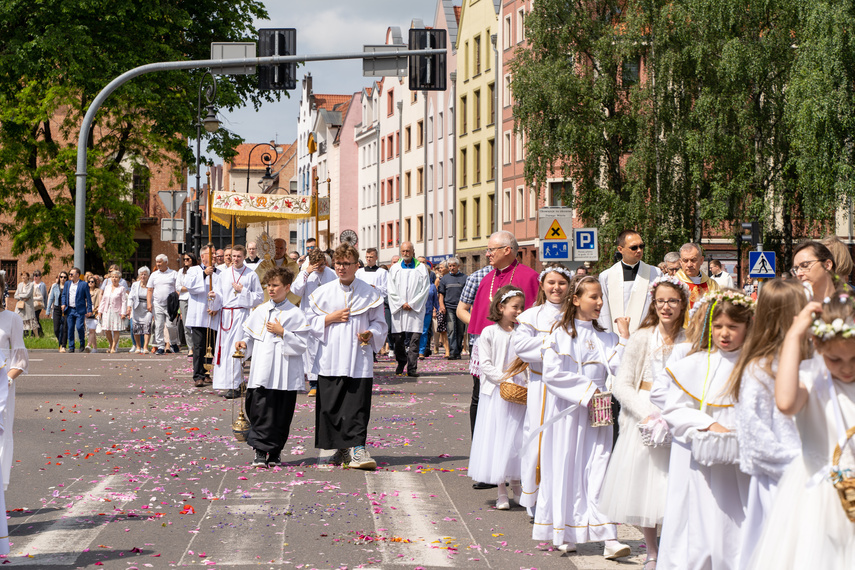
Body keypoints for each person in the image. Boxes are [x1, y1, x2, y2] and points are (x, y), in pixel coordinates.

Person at [747, 290, 855, 568]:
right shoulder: (811, 378)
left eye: (854, 359)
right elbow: (785, 402)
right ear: (818, 348)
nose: (846, 369)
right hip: (821, 497)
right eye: (835, 360)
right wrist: (795, 335)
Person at [657, 290, 755, 570]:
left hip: (743, 461)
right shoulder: (695, 364)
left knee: (738, 525)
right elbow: (674, 409)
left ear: (748, 326)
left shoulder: (758, 364)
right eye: (719, 326)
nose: (724, 334)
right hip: (703, 461)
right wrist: (708, 424)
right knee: (702, 528)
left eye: (733, 327)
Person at [536, 275, 631, 558]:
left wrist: (624, 339)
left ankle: (608, 536)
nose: (600, 302)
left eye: (601, 297)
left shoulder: (607, 337)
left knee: (599, 469)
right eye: (594, 297)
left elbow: (620, 368)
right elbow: (552, 375)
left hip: (599, 412)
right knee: (568, 469)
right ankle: (566, 530)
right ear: (576, 300)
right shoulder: (559, 335)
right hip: (569, 414)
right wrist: (587, 390)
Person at [601, 274, 689, 569]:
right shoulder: (641, 336)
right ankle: (651, 549)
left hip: (679, 411)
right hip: (646, 412)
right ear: (654, 302)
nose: (666, 307)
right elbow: (622, 384)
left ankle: (675, 544)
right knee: (646, 485)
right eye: (661, 301)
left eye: (672, 301)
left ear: (682, 303)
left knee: (674, 484)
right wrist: (647, 414)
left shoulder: (691, 337)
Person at [726, 280, 804, 570]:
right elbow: (755, 438)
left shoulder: (812, 360)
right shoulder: (759, 370)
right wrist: (800, 467)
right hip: (778, 481)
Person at [307, 244, 387, 470]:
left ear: (356, 265)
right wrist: (329, 318)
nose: (341, 268)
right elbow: (308, 323)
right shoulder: (323, 292)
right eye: (338, 263)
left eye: (346, 263)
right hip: (330, 355)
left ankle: (358, 448)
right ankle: (341, 448)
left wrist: (371, 333)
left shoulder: (370, 292)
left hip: (357, 356)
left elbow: (379, 322)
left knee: (356, 403)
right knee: (331, 406)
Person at [457, 231, 539, 443]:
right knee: (481, 396)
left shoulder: (529, 277)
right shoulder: (485, 278)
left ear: (507, 250)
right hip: (487, 347)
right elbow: (471, 313)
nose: (487, 254)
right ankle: (481, 444)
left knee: (515, 396)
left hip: (516, 348)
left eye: (491, 250)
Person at [511, 264, 573, 513]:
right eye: (551, 283)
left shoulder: (577, 314)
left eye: (561, 283)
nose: (556, 287)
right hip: (541, 385)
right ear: (543, 285)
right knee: (537, 439)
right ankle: (534, 499)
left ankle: (563, 496)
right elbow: (522, 348)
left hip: (570, 388)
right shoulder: (531, 316)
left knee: (566, 441)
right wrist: (554, 343)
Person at [235, 266, 309, 468]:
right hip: (262, 371)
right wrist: (243, 344)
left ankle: (275, 452)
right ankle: (259, 452)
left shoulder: (295, 313)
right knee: (259, 410)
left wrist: (283, 331)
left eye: (276, 285)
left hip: (284, 373)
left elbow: (303, 344)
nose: (271, 289)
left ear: (287, 287)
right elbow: (249, 337)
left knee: (281, 414)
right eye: (269, 285)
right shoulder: (260, 311)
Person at [468, 285, 527, 510]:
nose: (519, 311)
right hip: (497, 394)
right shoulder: (489, 333)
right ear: (501, 307)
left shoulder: (522, 332)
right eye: (515, 307)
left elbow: (527, 362)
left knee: (517, 440)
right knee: (499, 440)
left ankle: (517, 484)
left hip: (518, 393)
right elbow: (486, 365)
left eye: (522, 307)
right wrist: (505, 380)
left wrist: (526, 383)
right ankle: (501, 489)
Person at [208, 244, 263, 398]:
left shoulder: (251, 275)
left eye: (239, 256)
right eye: (233, 256)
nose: (236, 259)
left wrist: (242, 291)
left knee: (236, 350)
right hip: (225, 316)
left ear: (244, 257)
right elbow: (219, 295)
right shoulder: (224, 274)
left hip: (241, 315)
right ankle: (226, 383)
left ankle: (236, 384)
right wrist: (214, 297)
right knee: (224, 350)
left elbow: (259, 297)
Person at [290, 249, 337, 396]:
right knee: (311, 351)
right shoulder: (305, 273)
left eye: (322, 265)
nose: (320, 268)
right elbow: (296, 291)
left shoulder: (331, 274)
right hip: (309, 316)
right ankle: (314, 384)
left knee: (327, 349)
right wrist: (306, 273)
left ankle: (327, 381)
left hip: (327, 316)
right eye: (316, 265)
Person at [598, 230, 661, 334]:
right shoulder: (606, 276)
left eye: (641, 246)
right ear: (620, 249)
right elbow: (603, 311)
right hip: (616, 337)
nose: (639, 250)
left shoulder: (655, 273)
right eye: (634, 247)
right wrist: (608, 337)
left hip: (646, 335)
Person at [388, 242, 430, 377]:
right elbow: (391, 289)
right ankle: (401, 361)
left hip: (415, 310)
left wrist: (412, 303)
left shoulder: (421, 269)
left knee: (414, 339)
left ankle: (412, 368)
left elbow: (425, 289)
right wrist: (401, 303)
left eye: (408, 251)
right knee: (398, 339)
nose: (406, 253)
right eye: (403, 251)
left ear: (413, 251)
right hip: (399, 309)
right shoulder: (394, 269)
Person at [146, 254, 180, 355]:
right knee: (159, 325)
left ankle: (173, 342)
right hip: (157, 304)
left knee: (171, 326)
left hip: (170, 305)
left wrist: (177, 302)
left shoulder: (174, 273)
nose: (158, 264)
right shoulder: (154, 275)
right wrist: (149, 303)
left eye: (160, 262)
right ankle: (160, 346)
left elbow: (177, 289)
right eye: (157, 262)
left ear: (166, 262)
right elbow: (150, 289)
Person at [438, 258, 468, 360]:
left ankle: (458, 351)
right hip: (449, 307)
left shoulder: (465, 278)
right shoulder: (445, 279)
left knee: (460, 331)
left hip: (461, 308)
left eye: (453, 265)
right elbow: (441, 294)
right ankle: (452, 352)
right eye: (450, 266)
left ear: (458, 266)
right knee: (451, 330)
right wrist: (441, 305)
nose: (451, 268)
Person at [675, 243, 719, 309]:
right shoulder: (674, 283)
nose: (689, 264)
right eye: (685, 261)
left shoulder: (712, 284)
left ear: (701, 260)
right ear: (681, 262)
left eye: (693, 260)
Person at [61, 267, 92, 353]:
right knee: (70, 328)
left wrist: (89, 310)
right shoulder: (67, 284)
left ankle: (82, 343)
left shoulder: (84, 284)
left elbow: (88, 298)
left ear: (77, 275)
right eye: (69, 274)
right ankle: (71, 346)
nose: (70, 276)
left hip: (79, 310)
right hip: (70, 309)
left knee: (79, 327)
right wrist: (63, 303)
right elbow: (64, 295)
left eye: (71, 274)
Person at [99, 271, 127, 354]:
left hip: (116, 311)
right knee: (107, 330)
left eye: (116, 277)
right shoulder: (107, 287)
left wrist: (123, 313)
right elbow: (103, 300)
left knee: (115, 330)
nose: (114, 279)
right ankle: (111, 344)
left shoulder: (121, 288)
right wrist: (100, 311)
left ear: (119, 279)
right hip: (107, 310)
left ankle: (114, 347)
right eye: (113, 277)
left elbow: (124, 301)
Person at [126, 267, 152, 354]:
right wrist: (129, 307)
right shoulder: (135, 285)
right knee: (135, 327)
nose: (143, 276)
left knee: (147, 326)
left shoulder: (151, 285)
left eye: (145, 274)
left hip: (147, 308)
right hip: (137, 307)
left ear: (148, 276)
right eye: (141, 274)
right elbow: (130, 297)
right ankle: (138, 346)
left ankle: (145, 346)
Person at [177, 253, 198, 355]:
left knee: (196, 324)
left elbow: (199, 285)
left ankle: (197, 346)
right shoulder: (181, 271)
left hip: (195, 299)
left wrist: (188, 288)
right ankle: (190, 347)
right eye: (184, 259)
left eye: (187, 259)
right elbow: (178, 287)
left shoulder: (198, 270)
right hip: (184, 299)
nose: (185, 261)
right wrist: (190, 288)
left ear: (192, 260)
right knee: (186, 324)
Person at [418, 277, 439, 358]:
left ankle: (421, 351)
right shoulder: (416, 283)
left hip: (428, 311)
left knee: (424, 331)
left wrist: (437, 309)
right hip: (416, 311)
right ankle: (413, 349)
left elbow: (435, 300)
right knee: (415, 331)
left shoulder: (432, 286)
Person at [47, 272, 68, 352]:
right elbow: (51, 298)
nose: (62, 278)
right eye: (61, 277)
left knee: (65, 328)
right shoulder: (55, 286)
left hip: (65, 309)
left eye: (64, 277)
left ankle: (63, 346)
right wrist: (48, 310)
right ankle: (60, 341)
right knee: (56, 329)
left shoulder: (68, 286)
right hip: (56, 308)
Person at [84, 274, 103, 352]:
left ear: (95, 283)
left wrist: (98, 312)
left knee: (92, 330)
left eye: (92, 281)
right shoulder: (85, 291)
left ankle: (88, 345)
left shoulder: (98, 291)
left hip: (94, 313)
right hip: (86, 313)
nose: (90, 283)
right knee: (91, 331)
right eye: (89, 281)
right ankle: (95, 348)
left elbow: (100, 302)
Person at [32, 270, 46, 337]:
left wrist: (33, 298)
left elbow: (42, 296)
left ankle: (35, 334)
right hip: (31, 305)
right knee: (34, 318)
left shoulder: (42, 285)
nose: (35, 277)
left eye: (37, 275)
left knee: (35, 318)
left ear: (40, 277)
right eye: (34, 275)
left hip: (38, 305)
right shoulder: (31, 284)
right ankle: (39, 333)